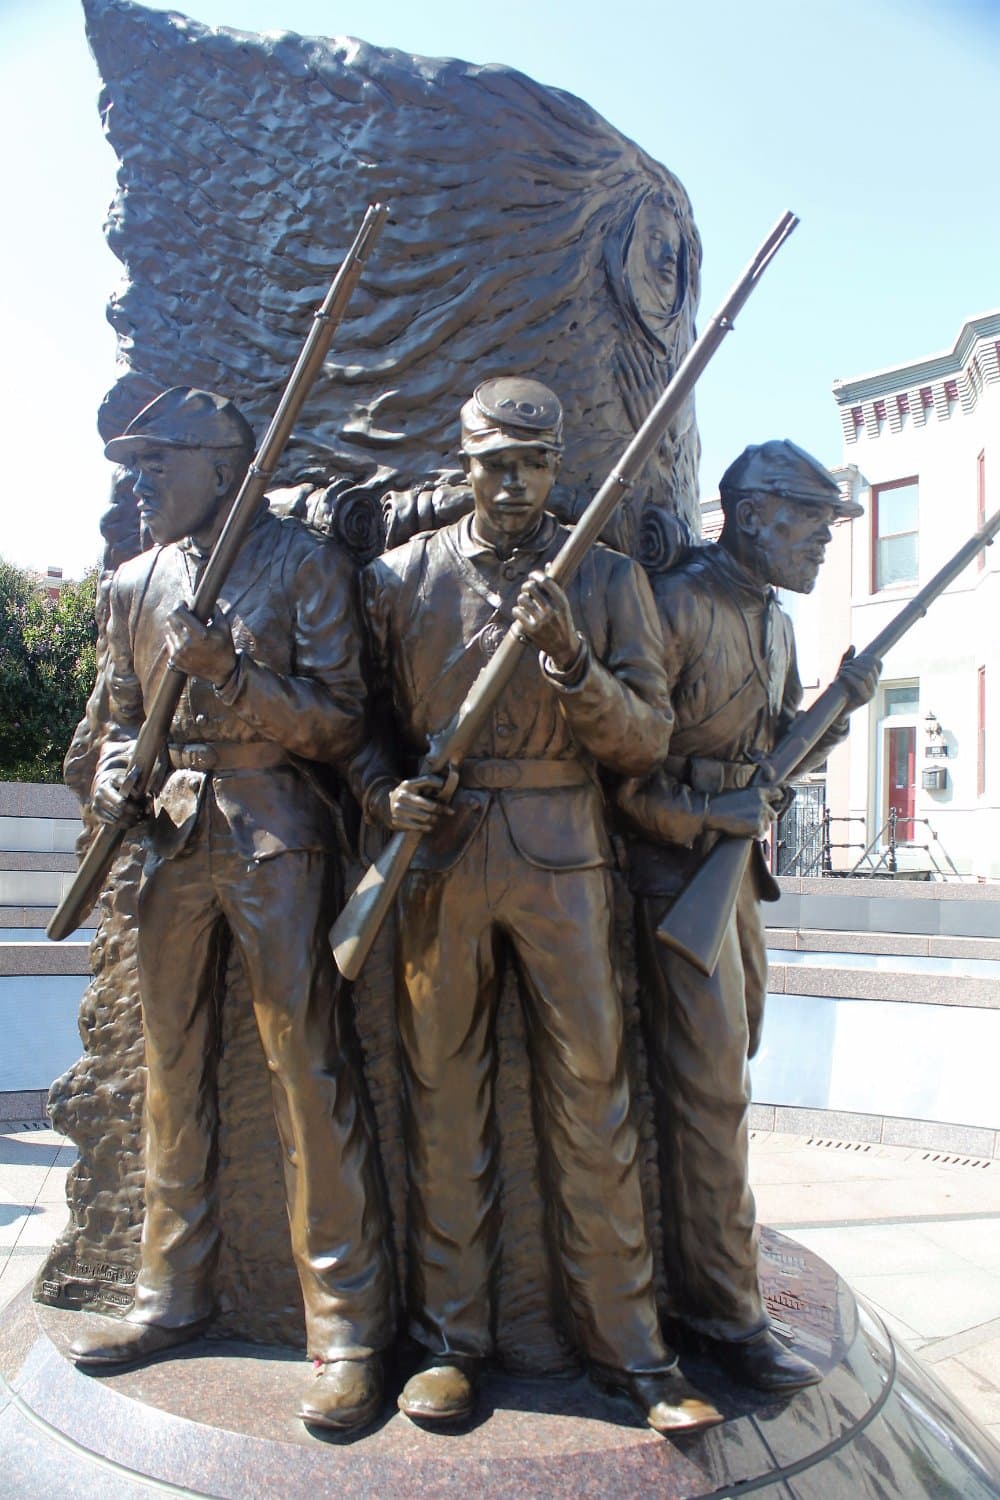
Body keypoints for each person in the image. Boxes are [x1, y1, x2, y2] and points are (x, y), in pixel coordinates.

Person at [352, 377, 722, 1435]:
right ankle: (450, 1344)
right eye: (493, 463)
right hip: (443, 866)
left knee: (595, 1101)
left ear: (558, 470)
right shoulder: (398, 579)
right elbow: (363, 727)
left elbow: (645, 738)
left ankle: (636, 1353)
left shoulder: (604, 581)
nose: (512, 483)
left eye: (533, 464)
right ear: (460, 464)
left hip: (566, 862)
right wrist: (387, 793)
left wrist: (570, 660)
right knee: (445, 1104)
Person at [68, 386, 395, 1433]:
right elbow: (118, 721)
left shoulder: (304, 564)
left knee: (308, 1072)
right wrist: (121, 774)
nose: (141, 483)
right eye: (136, 466)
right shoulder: (133, 583)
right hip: (171, 845)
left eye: (158, 464)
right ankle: (169, 1295)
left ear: (221, 465)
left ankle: (344, 1329)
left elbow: (343, 725)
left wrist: (237, 677)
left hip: (276, 836)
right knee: (173, 1075)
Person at [618, 439, 880, 1391]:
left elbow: (769, 764)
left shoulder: (773, 619)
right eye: (811, 524)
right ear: (756, 510)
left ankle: (715, 1275)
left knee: (731, 1076)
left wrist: (834, 714)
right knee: (710, 1099)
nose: (821, 547)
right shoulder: (680, 603)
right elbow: (619, 773)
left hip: (730, 884)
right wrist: (702, 815)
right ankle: (726, 1316)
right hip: (670, 882)